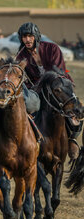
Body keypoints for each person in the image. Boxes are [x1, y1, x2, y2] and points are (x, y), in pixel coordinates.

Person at [16, 22, 82, 160]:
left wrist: (46, 84)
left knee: (75, 111)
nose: (27, 40)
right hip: (39, 91)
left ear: (36, 36)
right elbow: (24, 79)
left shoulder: (52, 48)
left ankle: (72, 140)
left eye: (30, 36)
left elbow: (58, 71)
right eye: (24, 37)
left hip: (59, 85)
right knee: (29, 110)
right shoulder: (21, 56)